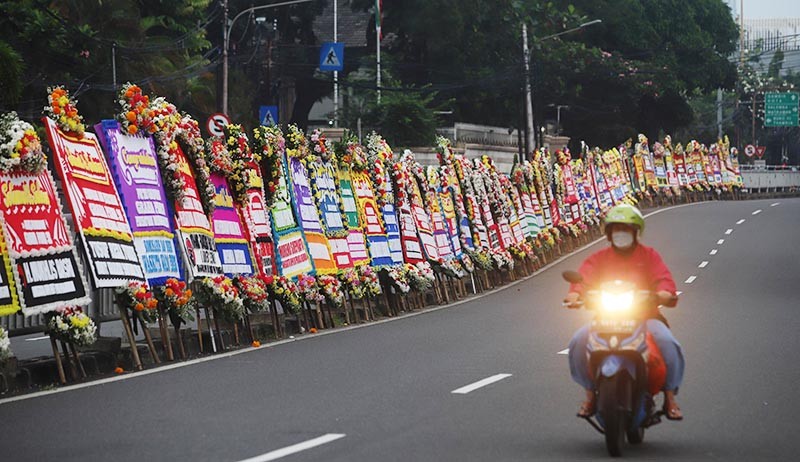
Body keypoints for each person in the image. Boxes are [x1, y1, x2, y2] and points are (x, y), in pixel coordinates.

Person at [563, 204, 684, 420]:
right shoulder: (599, 257)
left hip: (645, 318)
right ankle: (590, 395)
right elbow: (584, 278)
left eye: (626, 229)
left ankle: (670, 398)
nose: (621, 234)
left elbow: (663, 278)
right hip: (606, 318)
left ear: (636, 232)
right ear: (609, 234)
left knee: (667, 341)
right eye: (616, 229)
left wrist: (665, 292)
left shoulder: (649, 256)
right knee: (578, 341)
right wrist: (575, 294)